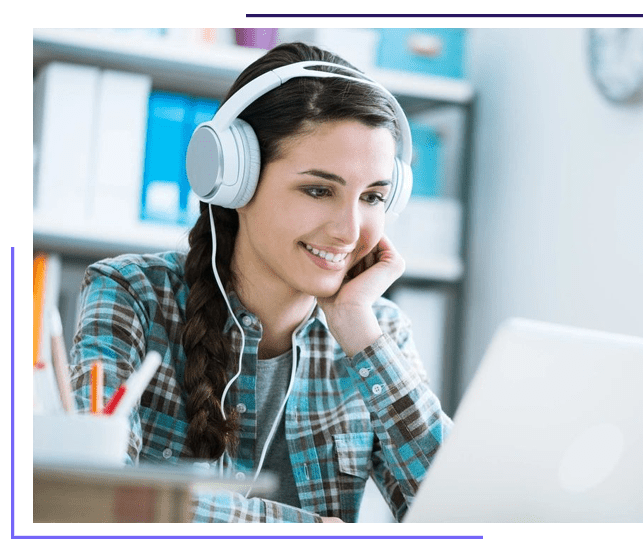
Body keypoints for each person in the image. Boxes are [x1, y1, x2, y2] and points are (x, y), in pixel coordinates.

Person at [70, 42, 453, 523]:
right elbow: (94, 498)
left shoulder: (379, 332)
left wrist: (359, 329)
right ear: (233, 180)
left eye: (373, 197)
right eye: (319, 190)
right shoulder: (133, 295)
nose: (351, 231)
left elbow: (462, 509)